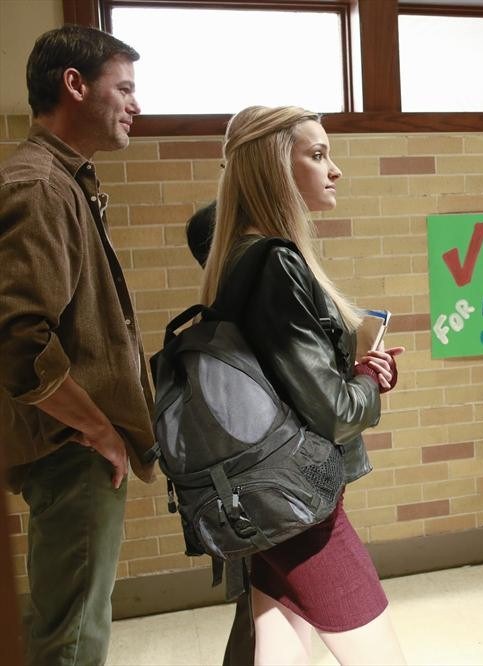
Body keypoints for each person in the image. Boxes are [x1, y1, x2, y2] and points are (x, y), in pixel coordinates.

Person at [201, 105, 407, 665]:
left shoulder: (235, 253)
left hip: (260, 496)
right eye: (317, 156)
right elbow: (335, 411)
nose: (334, 169)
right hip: (298, 506)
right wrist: (365, 373)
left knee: (278, 645)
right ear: (274, 169)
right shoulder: (275, 263)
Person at [0, 25, 155, 665]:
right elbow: (20, 344)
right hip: (72, 448)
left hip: (73, 444)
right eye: (124, 88)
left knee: (77, 618)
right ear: (74, 84)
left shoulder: (63, 179)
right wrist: (101, 431)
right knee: (71, 634)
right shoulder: (41, 185)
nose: (135, 106)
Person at [184, 200, 256, 666]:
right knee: (259, 613)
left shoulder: (219, 319)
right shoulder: (229, 328)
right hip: (255, 494)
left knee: (264, 613)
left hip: (252, 493)